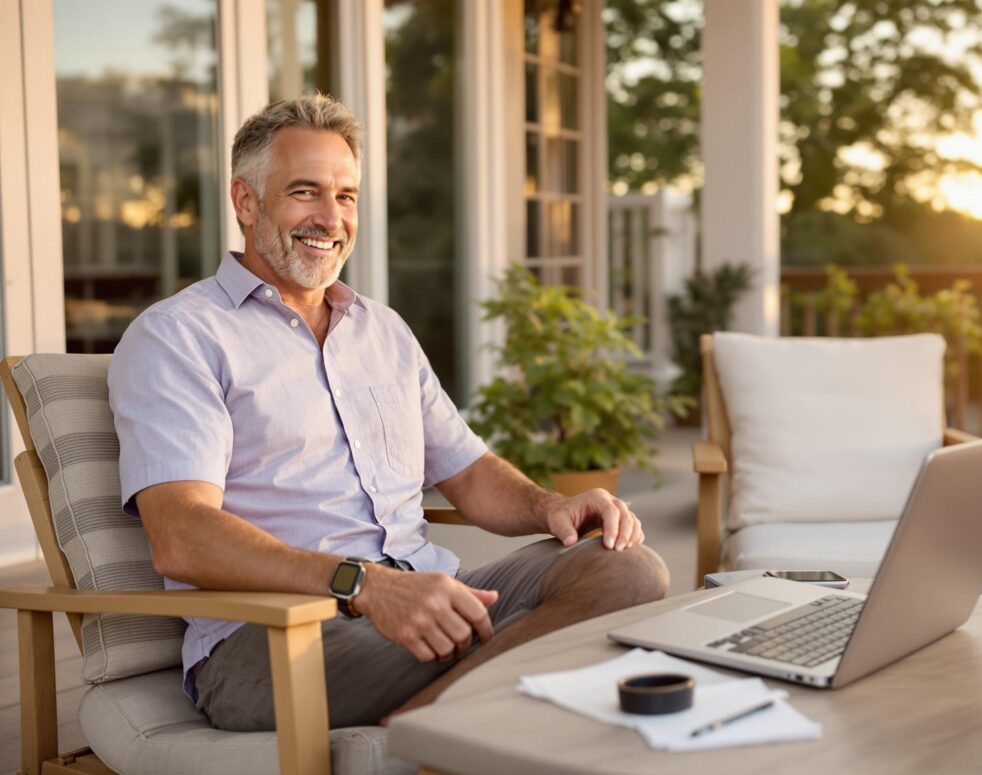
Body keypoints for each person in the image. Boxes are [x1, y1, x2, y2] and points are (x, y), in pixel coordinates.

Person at [108, 94, 669, 733]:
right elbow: (180, 535)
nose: (330, 217)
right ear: (245, 201)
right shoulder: (180, 337)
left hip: (428, 592)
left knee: (625, 569)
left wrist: (549, 507)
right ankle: (446, 733)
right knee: (561, 650)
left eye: (346, 196)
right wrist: (364, 586)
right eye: (305, 192)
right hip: (277, 638)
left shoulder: (383, 330)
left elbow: (467, 470)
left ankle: (416, 732)